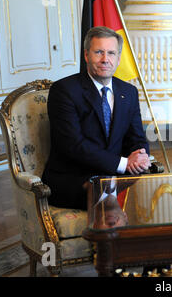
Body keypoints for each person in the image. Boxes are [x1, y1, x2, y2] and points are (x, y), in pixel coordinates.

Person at [42, 26, 151, 210]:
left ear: (118, 59)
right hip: (75, 178)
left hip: (113, 175)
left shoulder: (128, 92)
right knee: (105, 200)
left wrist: (140, 156)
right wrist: (124, 163)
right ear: (86, 55)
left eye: (111, 53)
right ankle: (108, 236)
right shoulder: (64, 91)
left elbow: (137, 137)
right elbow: (73, 145)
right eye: (98, 52)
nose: (105, 59)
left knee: (149, 199)